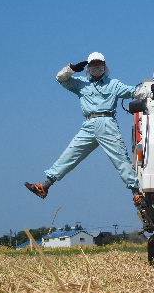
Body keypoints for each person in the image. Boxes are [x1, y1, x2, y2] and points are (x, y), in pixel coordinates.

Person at [24, 52, 144, 207]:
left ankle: (136, 192)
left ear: (104, 66)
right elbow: (60, 78)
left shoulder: (113, 84)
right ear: (88, 67)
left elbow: (133, 91)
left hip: (106, 122)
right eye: (92, 65)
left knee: (120, 158)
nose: (96, 67)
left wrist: (152, 89)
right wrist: (72, 68)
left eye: (99, 64)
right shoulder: (81, 84)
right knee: (70, 154)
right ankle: (45, 186)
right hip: (88, 123)